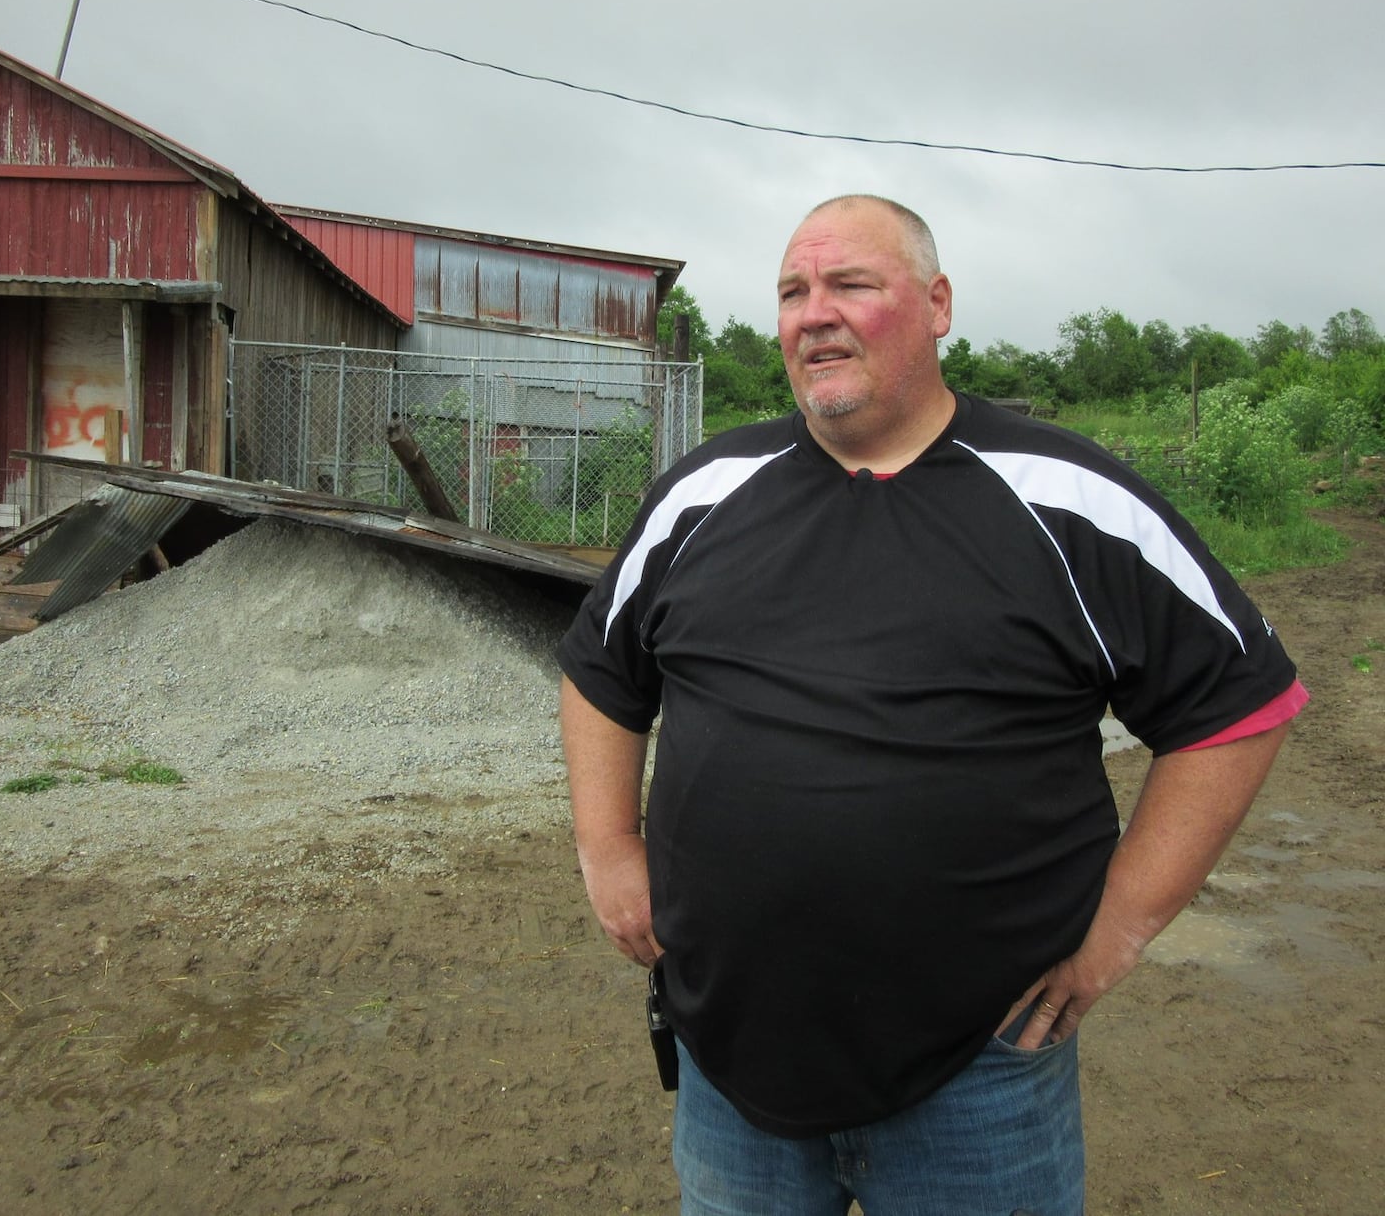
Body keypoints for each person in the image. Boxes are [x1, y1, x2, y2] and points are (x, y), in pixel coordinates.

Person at [556, 195, 1306, 1216]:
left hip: (980, 1074)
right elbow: (601, 672)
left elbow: (1238, 706)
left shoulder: (1067, 502)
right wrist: (607, 851)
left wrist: (1121, 926)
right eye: (791, 292)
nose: (812, 313)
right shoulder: (705, 493)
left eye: (850, 285)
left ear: (938, 304)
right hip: (731, 1056)